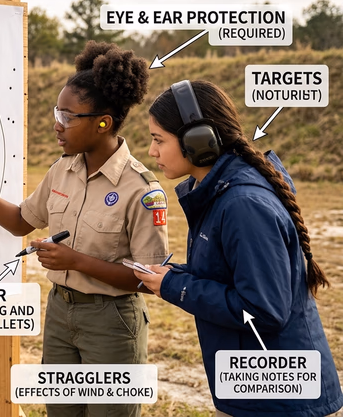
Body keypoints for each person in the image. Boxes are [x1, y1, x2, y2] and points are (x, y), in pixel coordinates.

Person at [0, 40, 169, 417]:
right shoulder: (62, 169)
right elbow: (20, 221)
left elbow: (148, 280)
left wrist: (76, 260)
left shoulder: (140, 189)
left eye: (69, 117)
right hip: (60, 314)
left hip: (112, 323)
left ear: (103, 122)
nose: (57, 124)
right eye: (58, 112)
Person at [136, 79, 343, 417]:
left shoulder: (242, 205)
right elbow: (232, 278)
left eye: (158, 140)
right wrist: (173, 276)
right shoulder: (220, 194)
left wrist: (177, 287)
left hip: (282, 405)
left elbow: (263, 310)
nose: (152, 151)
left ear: (197, 141)